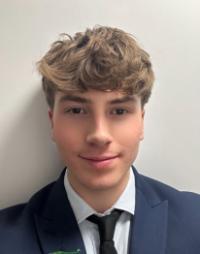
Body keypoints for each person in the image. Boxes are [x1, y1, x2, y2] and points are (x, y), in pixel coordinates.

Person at [0, 26, 200, 254]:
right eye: (76, 111)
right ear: (52, 122)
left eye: (119, 111)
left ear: (141, 121)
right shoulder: (5, 239)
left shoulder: (196, 221)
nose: (99, 135)